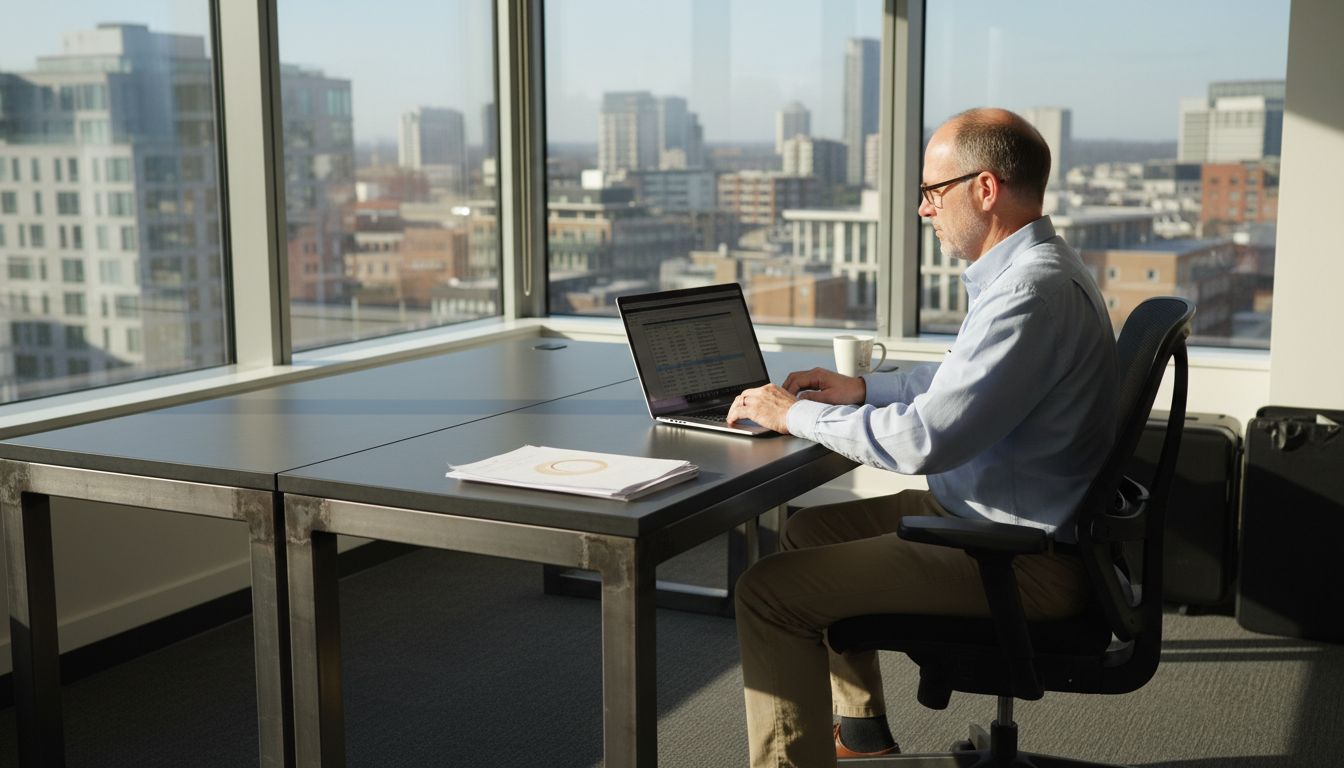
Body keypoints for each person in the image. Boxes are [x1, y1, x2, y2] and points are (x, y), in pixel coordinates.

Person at [724, 107, 1118, 767]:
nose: (923, 210)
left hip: (1020, 557)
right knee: (806, 533)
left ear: (984, 189)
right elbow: (966, 381)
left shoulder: (1029, 294)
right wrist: (862, 389)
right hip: (1005, 518)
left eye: (933, 192)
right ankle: (862, 738)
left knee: (768, 593)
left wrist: (791, 414)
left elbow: (923, 442)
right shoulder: (1035, 272)